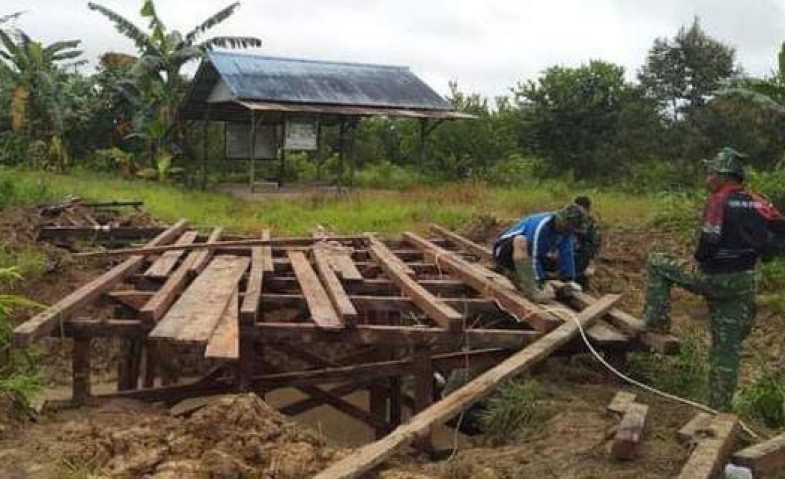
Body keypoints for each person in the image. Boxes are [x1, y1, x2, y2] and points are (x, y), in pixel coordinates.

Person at [642, 147, 785, 411]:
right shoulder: (760, 201)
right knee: (726, 351)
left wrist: (699, 260)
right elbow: (781, 229)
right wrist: (765, 254)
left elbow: (709, 239)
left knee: (658, 263)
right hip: (743, 282)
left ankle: (656, 322)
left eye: (710, 173)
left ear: (724, 175)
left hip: (715, 277)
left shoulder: (719, 200)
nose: (707, 178)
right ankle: (718, 409)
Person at [492, 203, 587, 302]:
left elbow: (566, 253)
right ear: (561, 221)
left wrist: (569, 279)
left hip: (524, 259)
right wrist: (540, 281)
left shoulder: (565, 232)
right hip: (504, 252)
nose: (568, 232)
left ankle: (519, 277)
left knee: (553, 262)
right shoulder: (541, 225)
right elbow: (533, 254)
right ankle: (532, 290)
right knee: (521, 240)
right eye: (568, 228)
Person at [573, 195, 602, 288]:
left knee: (580, 284)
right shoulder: (570, 219)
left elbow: (595, 245)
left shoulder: (592, 225)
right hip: (568, 258)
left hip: (583, 259)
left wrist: (592, 264)